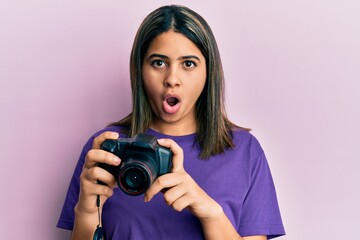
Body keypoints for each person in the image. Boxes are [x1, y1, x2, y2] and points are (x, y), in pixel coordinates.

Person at [57, 5, 285, 240]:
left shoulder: (244, 152)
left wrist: (211, 214)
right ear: (139, 70)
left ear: (208, 72)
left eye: (188, 64)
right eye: (158, 63)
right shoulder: (106, 149)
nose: (172, 79)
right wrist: (86, 210)